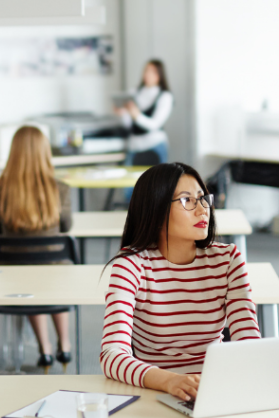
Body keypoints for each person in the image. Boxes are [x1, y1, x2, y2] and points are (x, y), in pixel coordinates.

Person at [100, 163, 260, 401]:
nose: (203, 209)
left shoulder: (228, 259)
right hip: (155, 393)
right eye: (187, 200)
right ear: (155, 210)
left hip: (213, 393)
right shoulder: (131, 264)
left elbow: (248, 344)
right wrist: (169, 381)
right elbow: (112, 355)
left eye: (203, 198)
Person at [0, 125, 74, 371]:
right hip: (55, 270)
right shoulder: (60, 188)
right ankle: (65, 344)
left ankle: (44, 348)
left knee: (28, 276)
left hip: (15, 274)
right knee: (50, 274)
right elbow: (66, 226)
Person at [115, 59, 174, 165]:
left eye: (153, 72)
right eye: (146, 70)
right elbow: (128, 125)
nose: (148, 74)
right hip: (134, 146)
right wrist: (123, 113)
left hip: (154, 145)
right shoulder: (134, 92)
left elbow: (154, 124)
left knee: (155, 175)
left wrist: (137, 116)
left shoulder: (165, 96)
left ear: (160, 75)